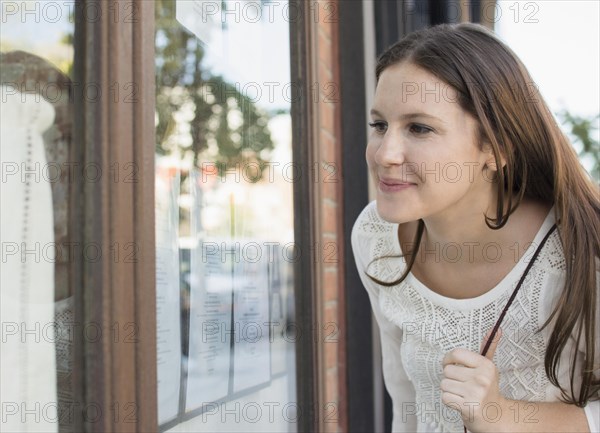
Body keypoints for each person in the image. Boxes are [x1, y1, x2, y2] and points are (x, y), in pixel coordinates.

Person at [351, 23, 599, 433]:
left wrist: (503, 415)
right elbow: (406, 400)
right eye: (380, 125)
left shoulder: (579, 249)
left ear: (496, 147)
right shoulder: (375, 236)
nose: (384, 153)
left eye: (419, 128)